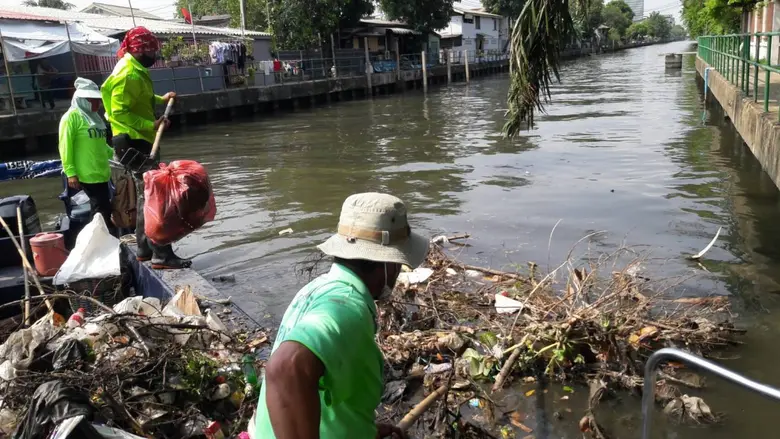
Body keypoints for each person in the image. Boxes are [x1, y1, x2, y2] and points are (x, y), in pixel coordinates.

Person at [252, 192, 430, 439]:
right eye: (398, 263)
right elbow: (286, 367)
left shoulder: (318, 288)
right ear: (387, 263)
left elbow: (321, 391)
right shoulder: (346, 307)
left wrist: (363, 431)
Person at [101, 26, 189, 269]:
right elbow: (119, 112)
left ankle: (144, 248)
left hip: (139, 139)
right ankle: (161, 254)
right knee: (156, 195)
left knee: (145, 194)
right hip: (133, 142)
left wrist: (161, 99)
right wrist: (151, 124)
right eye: (151, 51)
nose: (154, 55)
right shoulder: (128, 73)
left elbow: (140, 99)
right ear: (139, 50)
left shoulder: (136, 69)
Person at [58, 77, 115, 232]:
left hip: (102, 171)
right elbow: (65, 147)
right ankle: (97, 239)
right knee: (100, 211)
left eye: (98, 100)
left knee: (103, 209)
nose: (98, 104)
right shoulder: (71, 118)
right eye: (93, 100)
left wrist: (115, 155)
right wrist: (70, 173)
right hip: (86, 173)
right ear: (82, 100)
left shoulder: (95, 118)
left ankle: (101, 237)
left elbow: (101, 144)